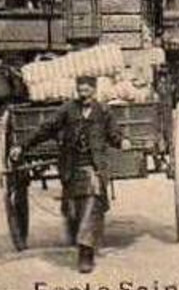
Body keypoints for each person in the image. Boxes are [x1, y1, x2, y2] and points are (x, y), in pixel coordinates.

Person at [11, 75, 125, 272]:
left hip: (95, 165)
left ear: (94, 90)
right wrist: (23, 145)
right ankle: (82, 236)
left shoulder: (104, 111)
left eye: (88, 89)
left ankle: (85, 253)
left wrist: (122, 141)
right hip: (71, 164)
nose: (84, 93)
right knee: (77, 207)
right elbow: (46, 129)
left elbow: (113, 133)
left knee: (92, 201)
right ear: (77, 91)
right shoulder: (67, 110)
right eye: (81, 90)